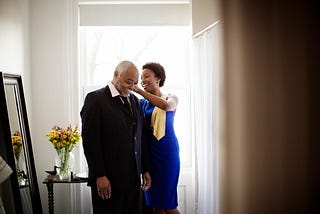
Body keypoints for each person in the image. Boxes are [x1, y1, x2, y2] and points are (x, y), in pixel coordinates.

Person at [80, 60, 151, 214]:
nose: (132, 87)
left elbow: (140, 137)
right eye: (128, 82)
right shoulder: (95, 99)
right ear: (116, 74)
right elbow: (90, 142)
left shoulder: (135, 101)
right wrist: (100, 175)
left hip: (133, 181)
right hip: (108, 181)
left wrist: (144, 168)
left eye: (135, 83)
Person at [133, 62, 180, 214]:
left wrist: (139, 91)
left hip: (167, 155)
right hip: (150, 155)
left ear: (158, 78)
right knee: (155, 204)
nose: (143, 80)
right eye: (141, 78)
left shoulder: (171, 98)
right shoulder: (141, 104)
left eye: (146, 76)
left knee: (169, 204)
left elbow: (165, 106)